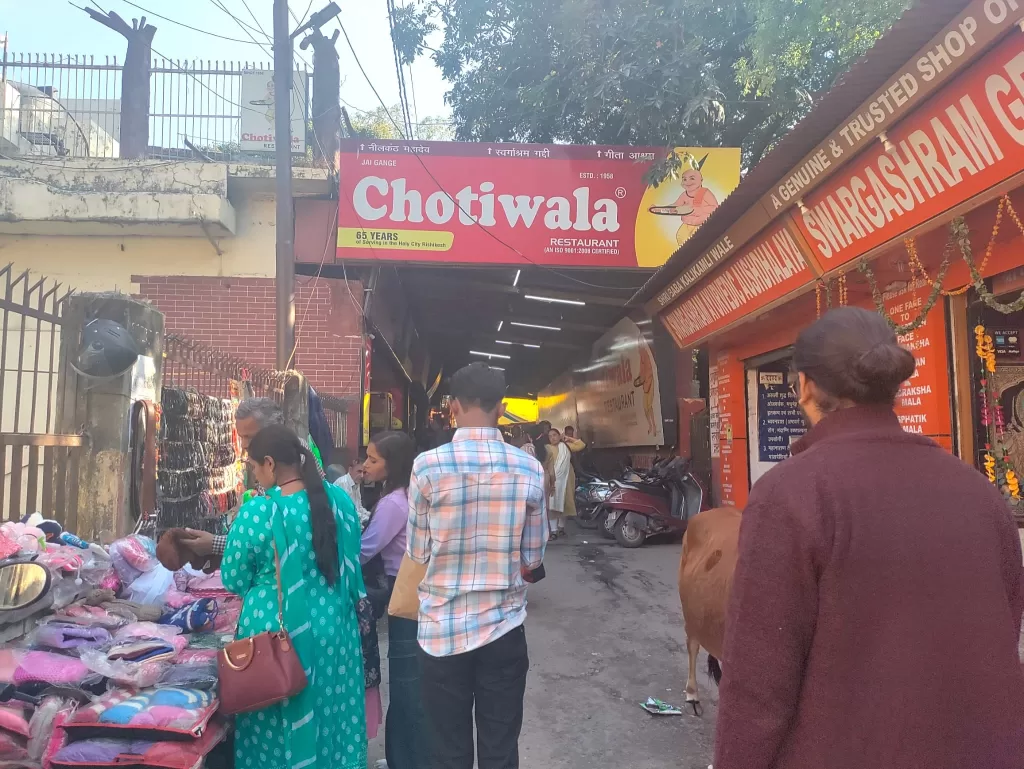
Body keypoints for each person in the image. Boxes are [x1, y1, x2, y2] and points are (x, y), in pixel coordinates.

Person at [714, 307, 1024, 769]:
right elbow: (1005, 627)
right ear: (891, 383)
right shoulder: (978, 490)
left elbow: (759, 685)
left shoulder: (791, 493)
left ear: (805, 385)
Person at [409, 363, 547, 769]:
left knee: (447, 750)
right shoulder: (528, 468)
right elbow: (533, 558)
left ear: (452, 406)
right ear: (501, 408)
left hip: (440, 634)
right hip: (503, 629)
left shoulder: (427, 467)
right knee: (500, 748)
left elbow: (418, 553)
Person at [221, 425, 367, 769]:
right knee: (330, 718)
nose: (256, 476)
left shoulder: (259, 512)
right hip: (335, 631)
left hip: (275, 639)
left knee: (273, 729)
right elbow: (351, 557)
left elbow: (233, 577)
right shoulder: (339, 501)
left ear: (270, 464)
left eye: (255, 468)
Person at [184, 397, 326, 561]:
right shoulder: (275, 463)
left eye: (249, 437)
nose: (244, 445)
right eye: (241, 437)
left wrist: (215, 544)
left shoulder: (291, 461)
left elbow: (271, 537)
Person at [359, 430, 427, 769]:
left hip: (404, 595)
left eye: (373, 460)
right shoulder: (405, 495)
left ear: (393, 464)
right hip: (413, 593)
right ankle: (404, 757)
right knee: (408, 681)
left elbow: (365, 550)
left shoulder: (393, 504)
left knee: (405, 682)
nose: (365, 465)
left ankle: (409, 760)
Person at [543, 428, 586, 540]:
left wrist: (568, 438)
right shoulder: (547, 448)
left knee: (565, 503)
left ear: (559, 435)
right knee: (553, 504)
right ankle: (553, 531)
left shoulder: (566, 446)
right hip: (553, 479)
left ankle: (561, 528)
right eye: (550, 436)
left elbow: (581, 445)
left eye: (555, 435)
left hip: (567, 478)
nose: (552, 438)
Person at [333, 447, 370, 528]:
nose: (362, 475)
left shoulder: (356, 483)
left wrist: (370, 516)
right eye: (359, 471)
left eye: (364, 472)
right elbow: (347, 511)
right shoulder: (343, 483)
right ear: (350, 470)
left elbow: (358, 507)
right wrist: (367, 519)